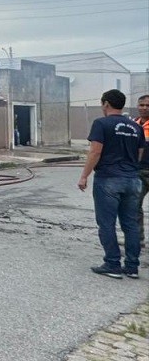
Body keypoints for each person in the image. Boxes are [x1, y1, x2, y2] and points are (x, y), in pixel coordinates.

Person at [77, 89, 144, 279]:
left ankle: (112, 263)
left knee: (106, 223)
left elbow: (95, 152)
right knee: (130, 223)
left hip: (108, 179)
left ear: (105, 104)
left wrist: (84, 176)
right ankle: (131, 266)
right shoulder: (135, 126)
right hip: (132, 179)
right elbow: (139, 153)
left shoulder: (101, 123)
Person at [134, 94, 149, 249]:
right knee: (134, 205)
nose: (144, 108)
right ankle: (138, 239)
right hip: (139, 171)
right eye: (142, 105)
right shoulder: (134, 125)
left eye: (147, 105)